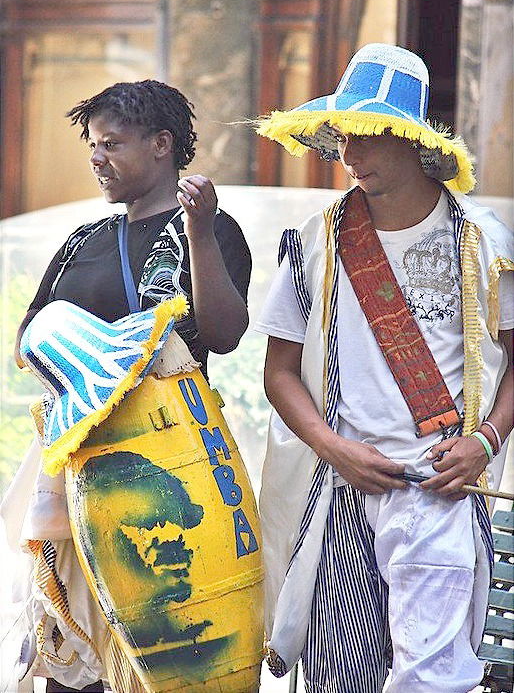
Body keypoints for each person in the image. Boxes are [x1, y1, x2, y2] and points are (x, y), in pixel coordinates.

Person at [254, 44, 513, 692]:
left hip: (440, 492)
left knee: (430, 682)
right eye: (343, 136)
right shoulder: (313, 241)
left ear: (410, 138)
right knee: (341, 678)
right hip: (342, 490)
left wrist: (487, 439)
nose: (350, 155)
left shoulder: (483, 242)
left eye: (368, 136)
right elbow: (278, 370)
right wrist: (331, 446)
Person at [9, 79, 252, 693]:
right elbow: (26, 342)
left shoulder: (213, 231)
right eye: (93, 145)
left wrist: (199, 232)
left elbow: (223, 334)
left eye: (112, 144)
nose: (96, 158)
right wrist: (85, 349)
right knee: (74, 649)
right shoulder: (80, 244)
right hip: (77, 464)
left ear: (162, 145)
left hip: (168, 470)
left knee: (165, 650)